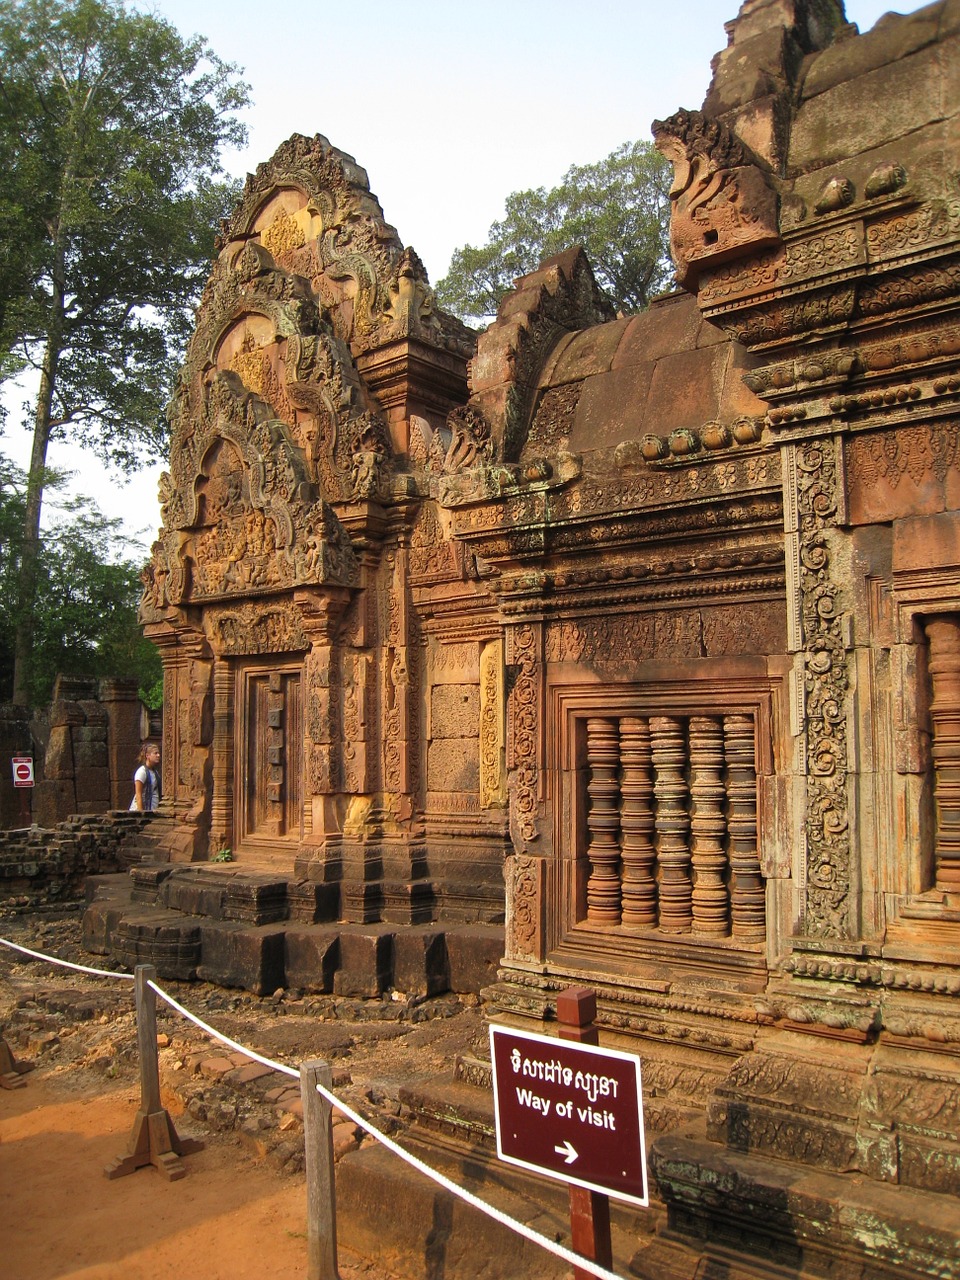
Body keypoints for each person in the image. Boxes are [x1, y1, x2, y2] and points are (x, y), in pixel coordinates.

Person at [130, 742, 161, 812]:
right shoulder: (142, 772)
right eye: (155, 753)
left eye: (158, 753)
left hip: (152, 809)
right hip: (141, 811)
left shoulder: (155, 772)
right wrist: (141, 813)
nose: (158, 755)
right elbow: (138, 794)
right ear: (147, 756)